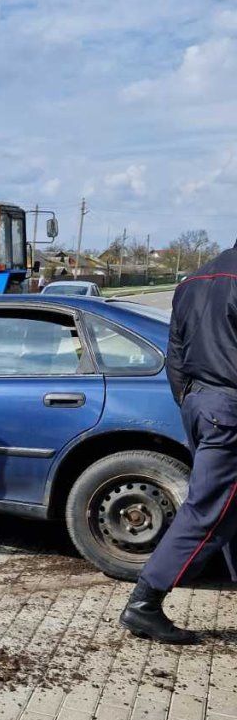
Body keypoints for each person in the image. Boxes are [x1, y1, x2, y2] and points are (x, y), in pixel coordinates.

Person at [120, 242, 237, 644]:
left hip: (202, 403)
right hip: (228, 407)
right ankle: (144, 602)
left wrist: (188, 400)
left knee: (225, 505)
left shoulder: (194, 279)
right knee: (209, 508)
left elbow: (176, 354)